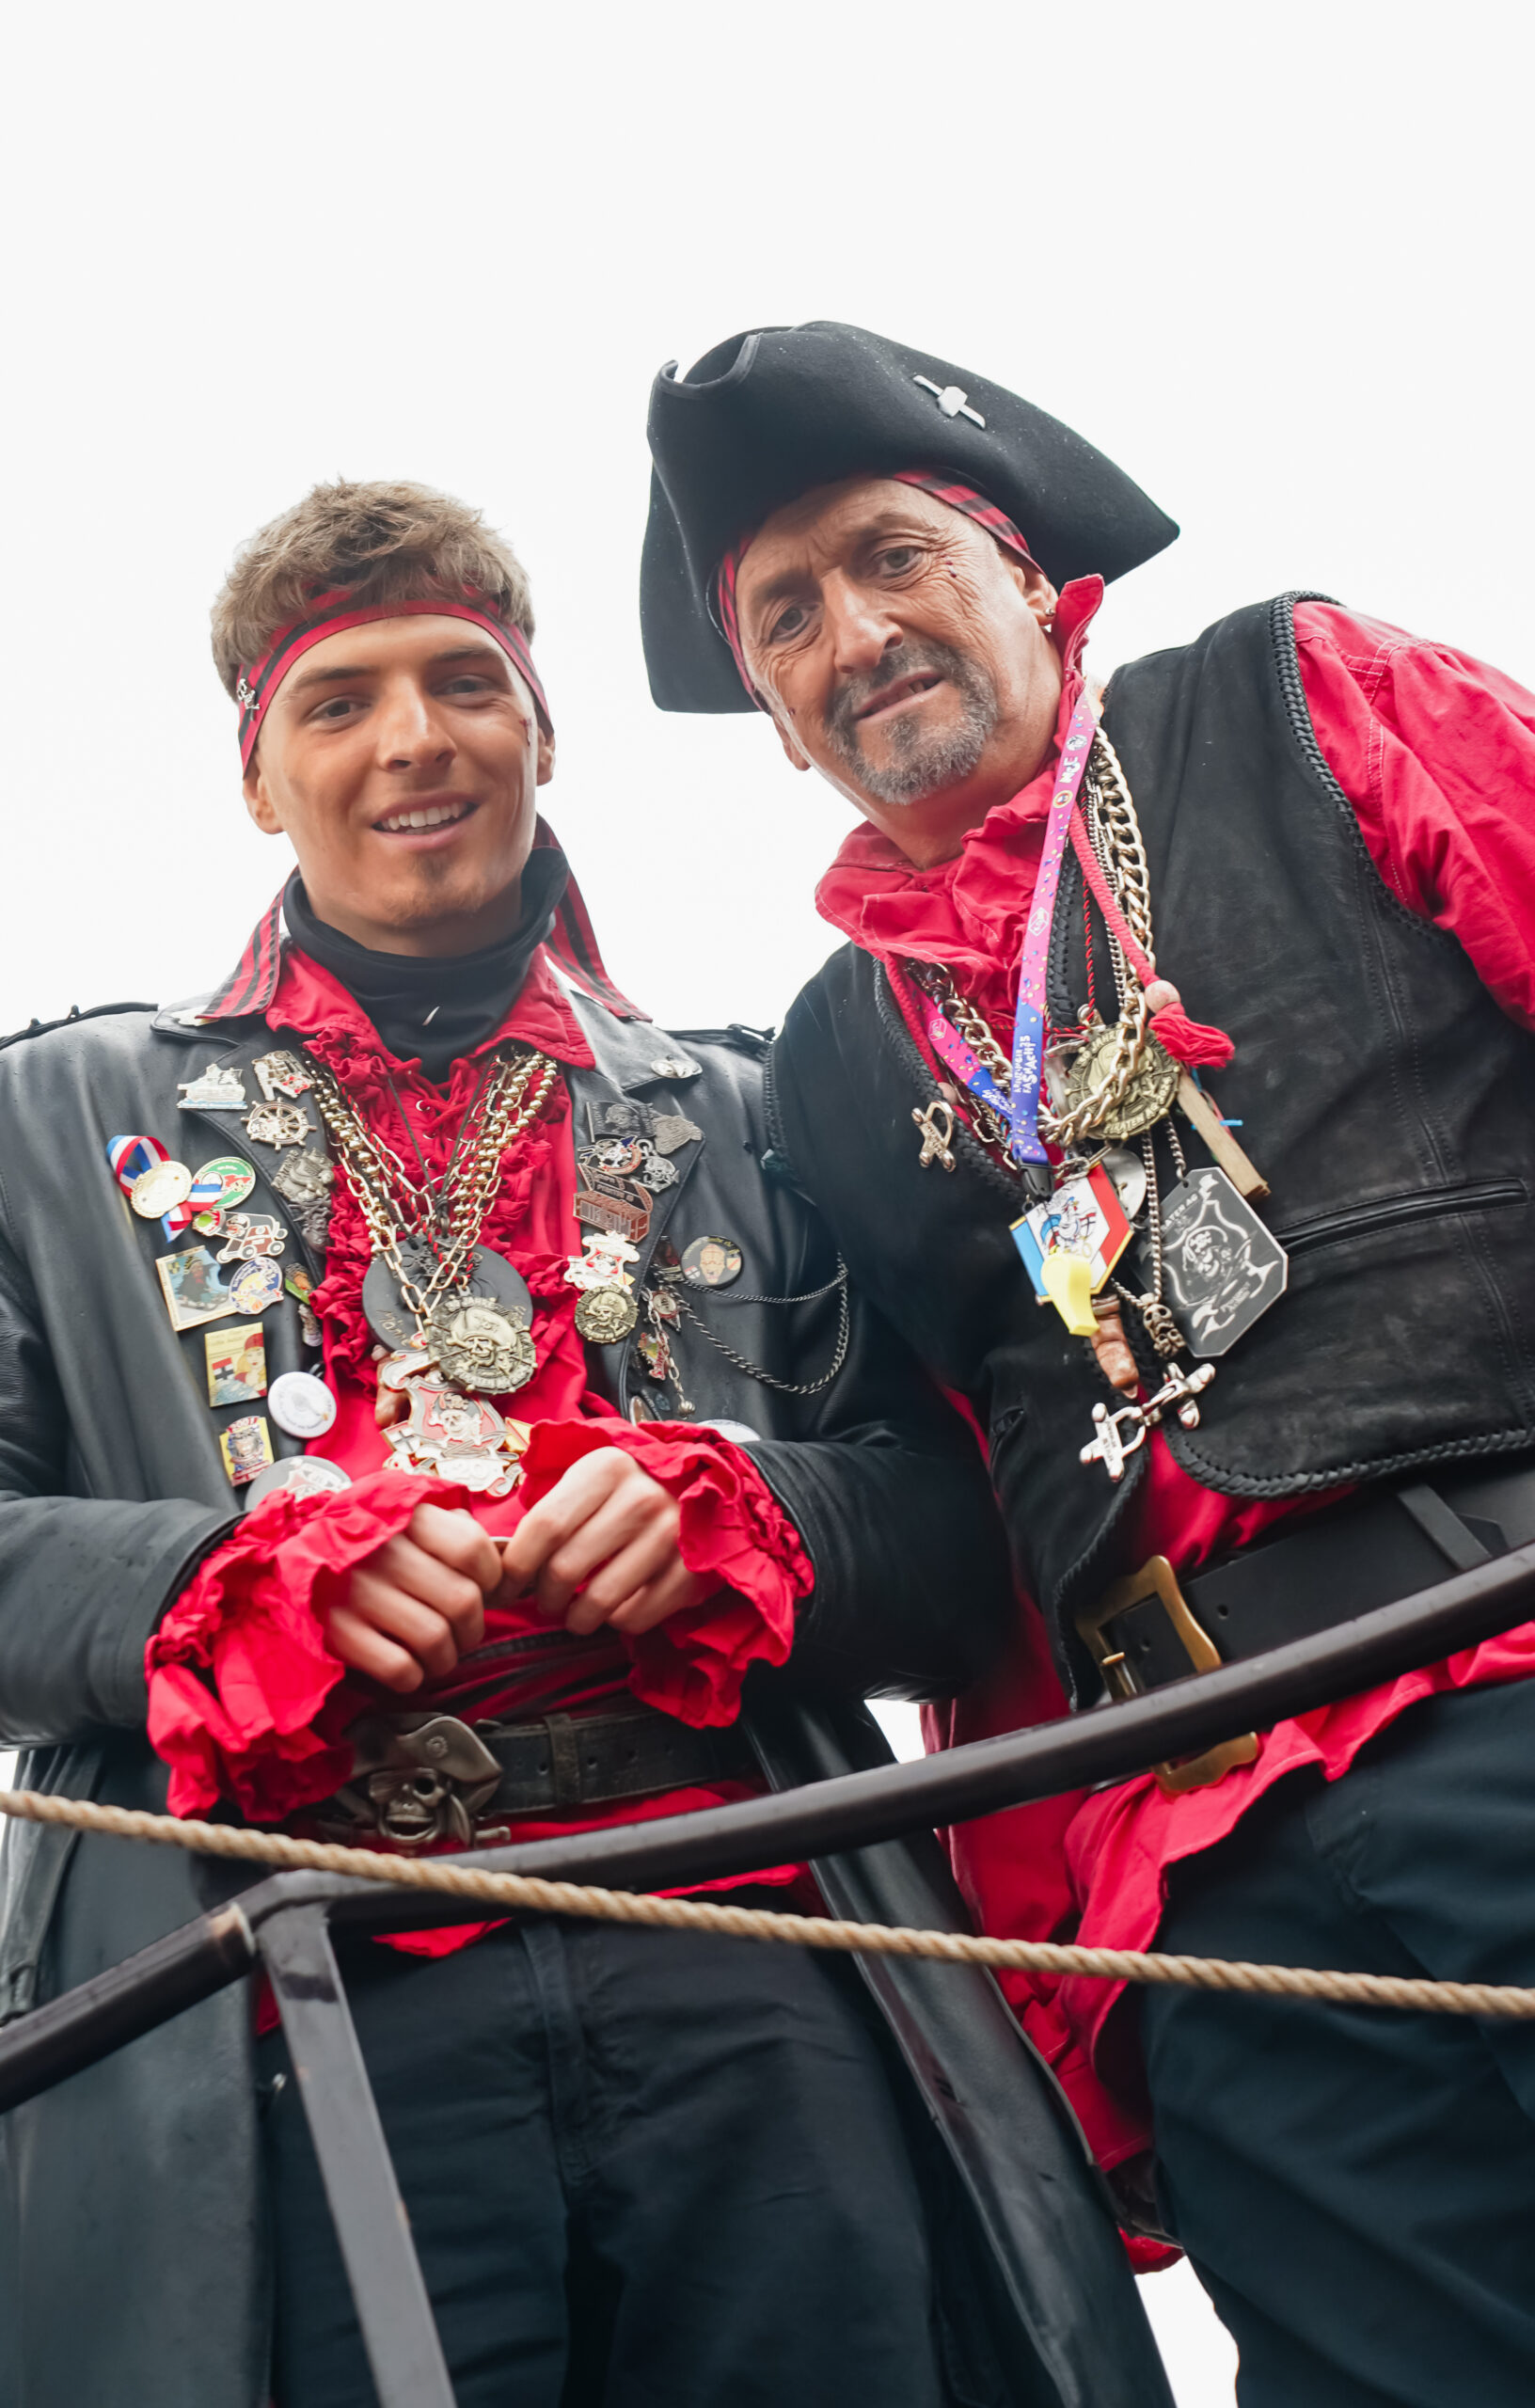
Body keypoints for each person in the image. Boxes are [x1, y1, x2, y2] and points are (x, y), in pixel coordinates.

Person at [0, 478, 1167, 2408]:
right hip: (276, 1982)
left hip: (746, 1951)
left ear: (543, 734)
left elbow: (972, 1546)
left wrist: (745, 1512)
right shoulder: (48, 1117)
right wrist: (222, 1583)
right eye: (341, 701)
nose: (415, 739)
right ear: (257, 777)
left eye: (466, 684)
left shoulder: (760, 1103)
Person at [641, 320, 1535, 2407]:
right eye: (789, 616)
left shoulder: (1304, 696)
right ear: (771, 714)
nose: (858, 635)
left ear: (1030, 573)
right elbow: (970, 1543)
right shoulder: (828, 1064)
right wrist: (1071, 1976)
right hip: (1211, 1870)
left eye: (894, 557)